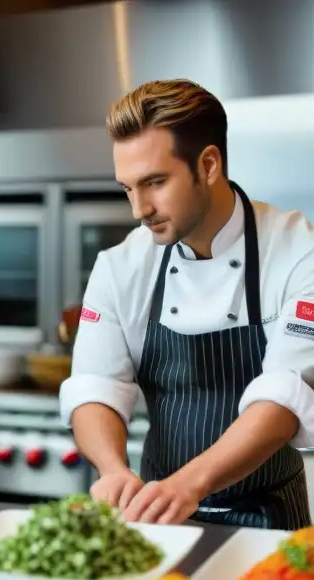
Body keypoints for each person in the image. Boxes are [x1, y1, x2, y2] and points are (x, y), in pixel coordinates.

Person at [60, 79, 314, 529]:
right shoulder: (120, 266)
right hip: (159, 518)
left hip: (269, 518)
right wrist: (114, 469)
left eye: (155, 182)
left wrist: (190, 484)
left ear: (209, 164)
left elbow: (283, 397)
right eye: (128, 188)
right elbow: (96, 384)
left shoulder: (298, 251)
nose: (139, 208)